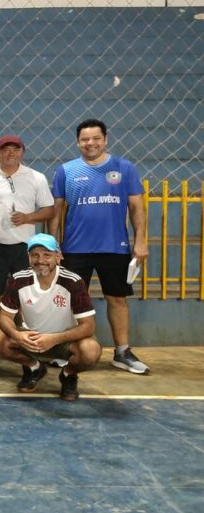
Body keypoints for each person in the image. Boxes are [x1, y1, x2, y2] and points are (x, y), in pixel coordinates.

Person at [50, 119, 149, 374]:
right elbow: (56, 211)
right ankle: (67, 350)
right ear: (77, 142)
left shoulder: (124, 168)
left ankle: (122, 351)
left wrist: (140, 241)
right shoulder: (66, 170)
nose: (90, 143)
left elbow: (137, 208)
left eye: (95, 138)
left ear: (105, 139)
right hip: (75, 248)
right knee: (68, 301)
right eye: (85, 139)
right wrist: (52, 246)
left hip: (115, 248)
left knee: (117, 299)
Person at [0, 234, 101, 400]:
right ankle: (34, 367)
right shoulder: (19, 279)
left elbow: (88, 326)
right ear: (29, 258)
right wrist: (18, 335)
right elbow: (5, 317)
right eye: (35, 255)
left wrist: (54, 339)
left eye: (47, 255)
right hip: (31, 338)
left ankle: (68, 374)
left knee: (91, 350)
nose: (40, 260)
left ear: (58, 256)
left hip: (64, 340)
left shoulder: (73, 282)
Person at [0, 135, 55, 330]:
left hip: (25, 246)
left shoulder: (36, 177)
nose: (10, 153)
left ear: (22, 152)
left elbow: (49, 209)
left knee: (26, 292)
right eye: (5, 149)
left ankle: (27, 335)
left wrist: (28, 217)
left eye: (15, 149)